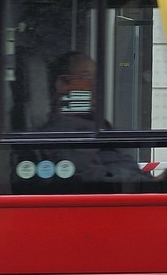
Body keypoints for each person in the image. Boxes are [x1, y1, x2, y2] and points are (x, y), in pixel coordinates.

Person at [39, 51, 148, 185]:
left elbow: (124, 163)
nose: (95, 83)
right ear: (63, 84)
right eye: (86, 76)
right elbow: (97, 180)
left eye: (96, 77)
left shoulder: (96, 124)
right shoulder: (63, 131)